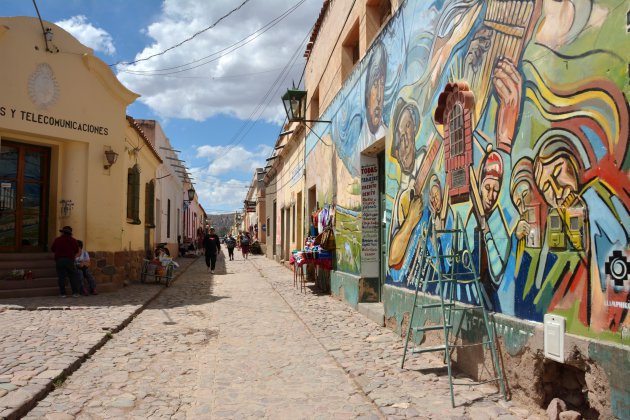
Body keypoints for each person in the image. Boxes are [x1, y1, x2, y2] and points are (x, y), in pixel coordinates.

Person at [51, 225, 80, 297]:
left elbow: (53, 249)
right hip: (69, 260)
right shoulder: (73, 240)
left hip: (59, 260)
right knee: (72, 276)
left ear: (63, 233)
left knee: (61, 277)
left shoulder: (57, 240)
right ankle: (75, 293)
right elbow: (76, 250)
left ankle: (63, 293)